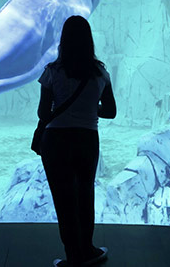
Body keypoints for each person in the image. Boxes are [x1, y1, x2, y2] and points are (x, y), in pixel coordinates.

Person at [37, 15, 117, 267]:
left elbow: (42, 113)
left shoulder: (52, 72)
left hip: (56, 140)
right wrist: (90, 108)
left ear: (63, 41)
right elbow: (111, 111)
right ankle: (88, 249)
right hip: (86, 139)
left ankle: (72, 255)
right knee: (85, 194)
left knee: (63, 199)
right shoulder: (100, 73)